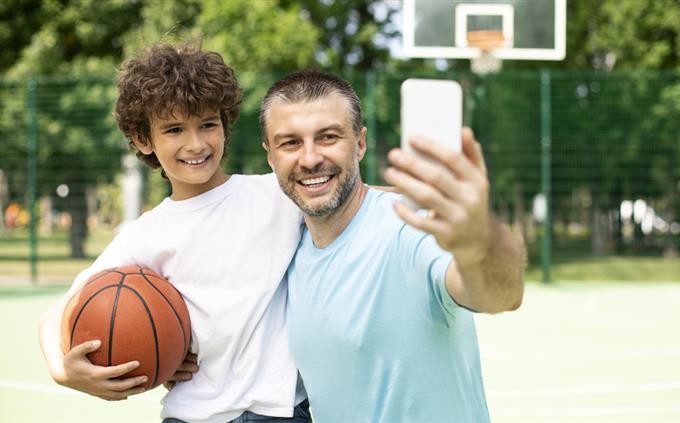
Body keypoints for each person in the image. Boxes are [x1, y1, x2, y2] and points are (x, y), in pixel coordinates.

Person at [38, 42, 311, 423]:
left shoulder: (276, 195)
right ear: (143, 139)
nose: (196, 144)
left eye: (207, 124)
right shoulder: (147, 234)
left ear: (225, 124)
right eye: (174, 129)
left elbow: (362, 201)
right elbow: (57, 314)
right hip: (191, 414)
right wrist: (63, 371)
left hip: (279, 412)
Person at [260, 70, 526, 422]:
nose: (309, 158)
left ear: (360, 143)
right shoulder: (284, 249)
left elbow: (499, 294)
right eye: (290, 143)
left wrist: (479, 239)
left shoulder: (410, 228)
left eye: (328, 137)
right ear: (270, 156)